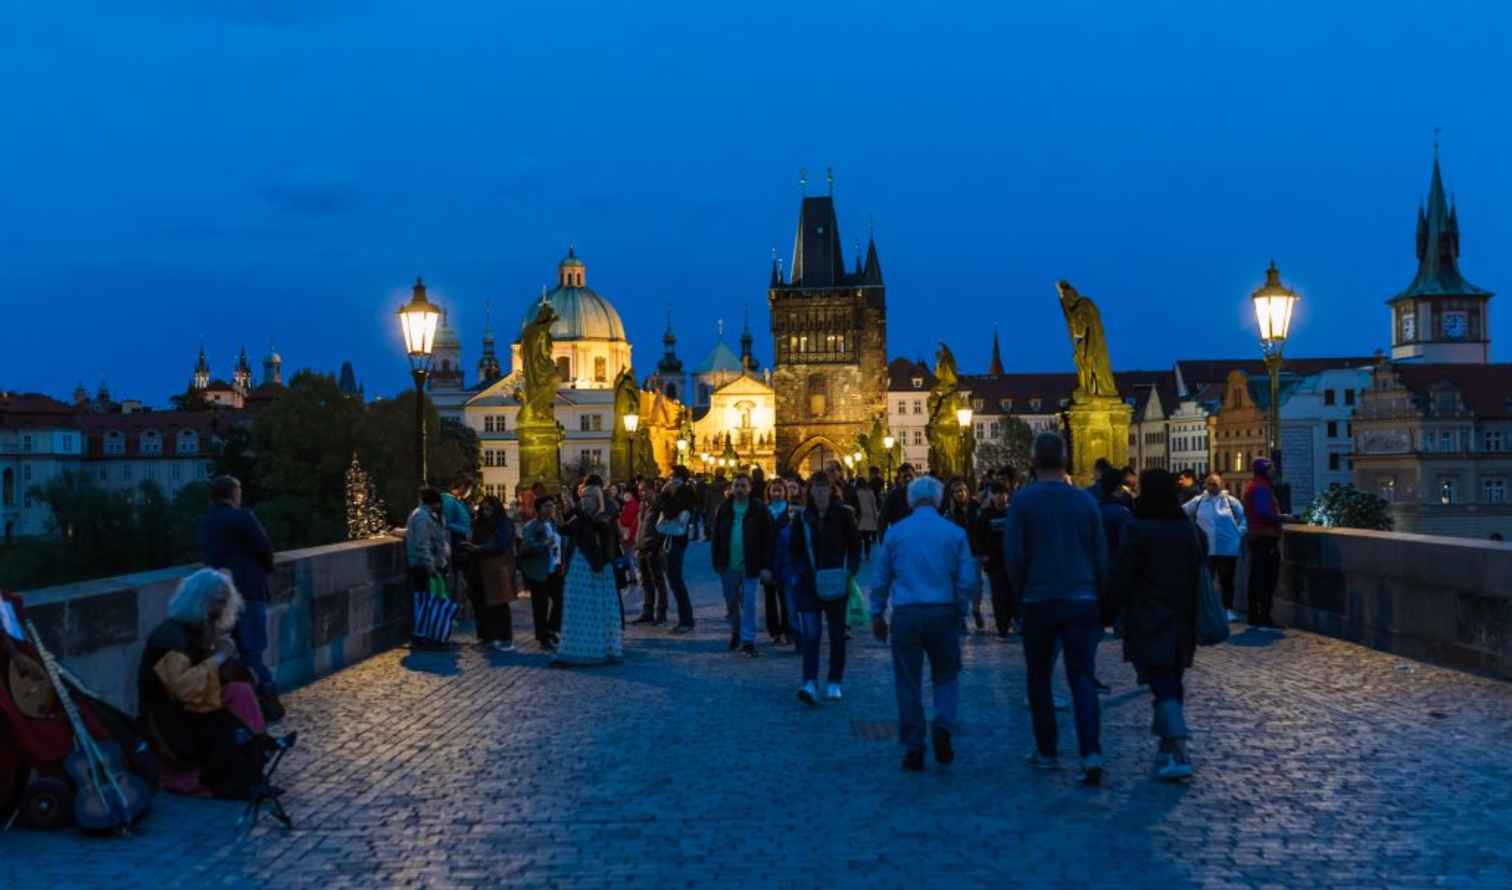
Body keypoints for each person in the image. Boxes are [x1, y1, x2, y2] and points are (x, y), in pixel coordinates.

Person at [1003, 432, 1108, 785]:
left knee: (1039, 677)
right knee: (1082, 676)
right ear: (1066, 461)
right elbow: (1101, 557)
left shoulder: (1023, 502)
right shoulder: (1084, 502)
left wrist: (1020, 595)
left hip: (1039, 599)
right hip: (1082, 599)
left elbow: (1014, 558)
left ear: (1033, 462)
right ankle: (1091, 751)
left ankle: (1047, 750)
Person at [138, 568, 284, 799]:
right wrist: (219, 657)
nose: (218, 610)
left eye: (223, 603)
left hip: (191, 709)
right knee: (227, 724)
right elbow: (186, 689)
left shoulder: (197, 630)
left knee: (241, 692)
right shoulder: (170, 637)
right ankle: (242, 776)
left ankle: (256, 752)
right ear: (199, 600)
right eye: (216, 603)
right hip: (171, 720)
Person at [871, 475, 978, 771]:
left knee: (908, 682)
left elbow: (881, 579)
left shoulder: (896, 533)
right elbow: (968, 578)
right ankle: (943, 722)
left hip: (906, 613)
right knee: (946, 675)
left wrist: (877, 613)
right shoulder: (954, 533)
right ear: (939, 498)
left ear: (910, 500)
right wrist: (961, 608)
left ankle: (914, 746)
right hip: (942, 611)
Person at [1110, 469, 1206, 781]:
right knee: (1172, 680)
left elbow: (1123, 575)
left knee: (1161, 683)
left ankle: (1179, 749)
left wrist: (1109, 610)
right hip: (1183, 616)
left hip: (1149, 616)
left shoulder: (1138, 529)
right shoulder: (1187, 528)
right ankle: (1166, 745)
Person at [200, 475, 282, 720]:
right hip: (248, 592)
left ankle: (242, 705)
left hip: (218, 595)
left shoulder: (206, 522)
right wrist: (263, 572)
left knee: (228, 653)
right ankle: (269, 703)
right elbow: (265, 549)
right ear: (233, 494)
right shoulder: (242, 517)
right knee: (253, 651)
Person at [791, 475, 863, 704]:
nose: (820, 493)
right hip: (809, 584)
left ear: (831, 491)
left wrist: (849, 570)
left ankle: (834, 681)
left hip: (836, 582)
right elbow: (794, 550)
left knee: (836, 634)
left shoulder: (843, 515)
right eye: (816, 489)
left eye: (824, 489)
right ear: (809, 492)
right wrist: (802, 571)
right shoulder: (802, 518)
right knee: (811, 634)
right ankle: (810, 681)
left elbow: (854, 547)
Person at [552, 484, 623, 666]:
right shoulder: (579, 518)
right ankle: (571, 651)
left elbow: (594, 530)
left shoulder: (604, 517)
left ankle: (599, 649)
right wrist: (559, 512)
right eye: (584, 497)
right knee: (576, 608)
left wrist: (573, 508)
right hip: (577, 568)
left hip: (596, 569)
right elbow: (563, 528)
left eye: (590, 497)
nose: (585, 500)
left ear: (598, 499)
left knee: (596, 609)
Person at [711, 473, 775, 657]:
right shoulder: (724, 509)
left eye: (743, 485)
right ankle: (736, 631)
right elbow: (716, 536)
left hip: (751, 564)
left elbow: (769, 538)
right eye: (736, 485)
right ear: (731, 488)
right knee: (731, 602)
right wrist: (716, 560)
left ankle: (748, 640)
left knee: (749, 603)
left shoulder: (759, 509)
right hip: (728, 565)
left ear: (749, 488)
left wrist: (766, 565)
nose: (739, 489)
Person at [1184, 473, 1247, 622]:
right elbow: (1182, 512)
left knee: (1227, 580)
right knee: (1205, 580)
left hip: (1227, 547)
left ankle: (1227, 609)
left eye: (1215, 483)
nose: (1213, 486)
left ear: (1222, 485)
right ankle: (1204, 609)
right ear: (1205, 485)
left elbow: (1244, 518)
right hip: (1206, 548)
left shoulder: (1231, 502)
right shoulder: (1198, 501)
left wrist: (1239, 533)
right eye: (1210, 483)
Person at [464, 494, 518, 652]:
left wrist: (479, 548)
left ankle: (504, 638)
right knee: (481, 604)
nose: (486, 512)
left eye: (489, 509)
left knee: (499, 604)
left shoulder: (503, 523)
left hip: (496, 567)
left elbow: (499, 543)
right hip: (480, 567)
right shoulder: (480, 523)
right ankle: (487, 637)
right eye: (484, 509)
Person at [406, 487, 455, 650]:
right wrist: (430, 565)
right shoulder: (422, 516)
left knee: (428, 601)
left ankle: (427, 634)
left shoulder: (426, 515)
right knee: (424, 601)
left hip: (429, 564)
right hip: (423, 566)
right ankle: (421, 636)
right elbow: (422, 544)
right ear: (434, 502)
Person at [653, 466, 700, 632]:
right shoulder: (680, 493)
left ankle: (686, 619)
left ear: (680, 479)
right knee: (674, 580)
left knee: (675, 580)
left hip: (677, 540)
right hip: (672, 539)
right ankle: (685, 618)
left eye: (673, 477)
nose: (670, 479)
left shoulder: (684, 494)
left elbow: (669, 511)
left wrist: (665, 494)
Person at [1243, 458, 1284, 629]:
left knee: (1256, 577)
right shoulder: (1261, 488)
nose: (1274, 471)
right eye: (1271, 468)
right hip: (1265, 538)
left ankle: (1254, 615)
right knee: (1267, 579)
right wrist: (1282, 517)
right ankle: (1264, 616)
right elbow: (1263, 513)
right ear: (1264, 470)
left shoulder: (1252, 485)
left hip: (1256, 536)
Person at [520, 497, 565, 651]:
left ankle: (552, 629)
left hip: (554, 569)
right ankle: (543, 636)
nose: (550, 508)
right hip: (538, 570)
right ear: (538, 509)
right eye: (546, 506)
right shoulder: (531, 526)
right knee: (541, 605)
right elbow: (526, 546)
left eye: (552, 505)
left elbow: (560, 543)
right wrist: (543, 545)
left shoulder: (553, 524)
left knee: (560, 599)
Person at [973, 480, 1016, 638]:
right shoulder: (986, 515)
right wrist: (982, 554)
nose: (1000, 497)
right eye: (996, 494)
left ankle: (1011, 619)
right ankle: (1002, 626)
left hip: (1011, 560)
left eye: (1002, 494)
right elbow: (979, 536)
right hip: (994, 561)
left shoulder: (1013, 513)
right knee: (998, 593)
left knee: (1011, 592)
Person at [945, 480, 985, 632]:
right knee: (959, 585)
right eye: (957, 491)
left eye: (963, 490)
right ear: (953, 495)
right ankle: (961, 615)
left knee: (976, 584)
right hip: (958, 553)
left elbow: (983, 528)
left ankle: (976, 609)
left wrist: (983, 549)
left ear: (968, 491)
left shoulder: (977, 507)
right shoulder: (950, 512)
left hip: (975, 551)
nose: (961, 494)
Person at [765, 478, 801, 649]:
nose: (777, 493)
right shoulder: (765, 511)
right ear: (769, 492)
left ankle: (788, 630)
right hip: (769, 559)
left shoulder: (792, 511)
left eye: (780, 490)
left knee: (787, 597)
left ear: (785, 492)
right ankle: (774, 631)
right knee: (770, 597)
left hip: (786, 560)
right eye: (774, 490)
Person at [630, 479, 669, 625]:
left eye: (644, 490)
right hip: (641, 548)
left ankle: (661, 612)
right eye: (640, 490)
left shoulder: (659, 505)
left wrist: (658, 544)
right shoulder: (643, 505)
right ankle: (647, 611)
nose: (641, 493)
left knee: (658, 581)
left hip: (654, 548)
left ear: (653, 490)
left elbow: (664, 526)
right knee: (646, 583)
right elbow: (641, 525)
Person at [441, 479, 474, 595]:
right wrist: (465, 530)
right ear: (462, 487)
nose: (469, 492)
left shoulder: (456, 500)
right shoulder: (449, 501)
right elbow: (447, 523)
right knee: (457, 572)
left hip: (460, 539)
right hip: (456, 541)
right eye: (469, 489)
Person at [878, 463, 916, 538]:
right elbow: (882, 520)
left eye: (910, 476)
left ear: (915, 476)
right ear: (899, 479)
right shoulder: (893, 496)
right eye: (905, 477)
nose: (908, 479)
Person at [855, 478, 880, 560]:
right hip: (869, 517)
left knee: (858, 538)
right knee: (867, 538)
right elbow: (874, 505)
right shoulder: (870, 493)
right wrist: (876, 517)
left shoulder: (856, 493)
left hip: (859, 517)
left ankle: (858, 554)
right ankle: (867, 554)